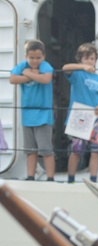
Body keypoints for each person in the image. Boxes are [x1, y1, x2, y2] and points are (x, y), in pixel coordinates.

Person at [9, 39, 55, 181]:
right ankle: (30, 176)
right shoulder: (22, 66)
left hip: (43, 115)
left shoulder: (46, 66)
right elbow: (12, 79)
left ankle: (51, 178)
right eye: (31, 58)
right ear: (26, 57)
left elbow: (46, 79)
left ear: (44, 57)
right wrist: (31, 74)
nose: (35, 61)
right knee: (30, 150)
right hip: (27, 115)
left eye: (38, 58)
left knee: (46, 149)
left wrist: (28, 74)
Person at [63, 42, 98, 184]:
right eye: (86, 58)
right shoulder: (77, 74)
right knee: (77, 150)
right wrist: (83, 67)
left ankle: (93, 181)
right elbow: (65, 68)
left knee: (96, 151)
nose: (90, 61)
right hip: (80, 115)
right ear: (80, 59)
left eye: (92, 58)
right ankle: (71, 179)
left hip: (96, 117)